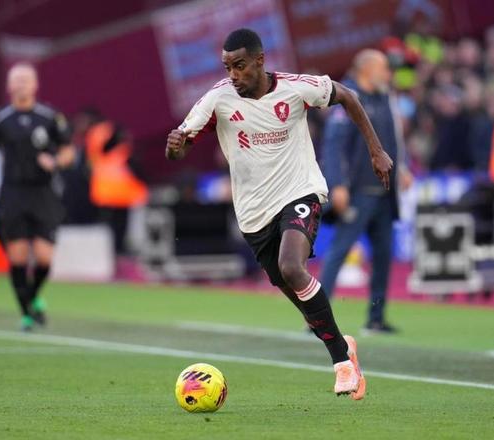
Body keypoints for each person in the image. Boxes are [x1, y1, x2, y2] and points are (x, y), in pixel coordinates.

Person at [165, 29, 393, 399]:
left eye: (240, 66)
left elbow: (348, 96)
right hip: (254, 214)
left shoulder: (296, 88)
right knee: (301, 300)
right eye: (227, 67)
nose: (233, 74)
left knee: (291, 266)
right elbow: (180, 147)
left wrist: (376, 150)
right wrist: (175, 146)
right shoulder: (218, 99)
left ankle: (341, 363)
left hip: (300, 192)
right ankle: (344, 346)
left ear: (259, 60)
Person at [0, 63, 74, 331]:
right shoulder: (0, 119)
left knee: (44, 258)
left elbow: (69, 152)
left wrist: (55, 162)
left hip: (43, 193)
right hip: (13, 193)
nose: (21, 84)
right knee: (18, 258)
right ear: (9, 86)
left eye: (26, 79)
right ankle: (27, 315)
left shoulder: (49, 117)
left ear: (35, 85)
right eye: (16, 80)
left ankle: (30, 298)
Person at [319, 50, 406, 334]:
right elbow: (333, 146)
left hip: (384, 193)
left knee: (383, 257)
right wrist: (337, 184)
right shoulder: (347, 97)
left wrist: (402, 168)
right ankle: (318, 318)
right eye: (383, 68)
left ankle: (376, 318)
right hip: (357, 191)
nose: (387, 73)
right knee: (339, 251)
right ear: (366, 69)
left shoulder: (383, 98)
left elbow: (390, 141)